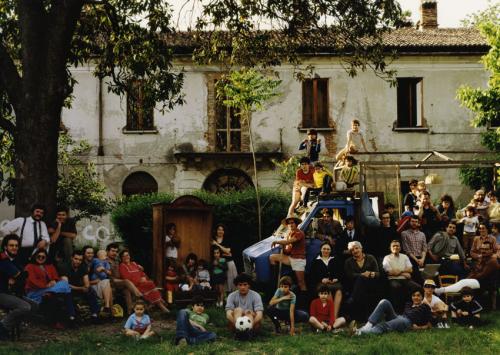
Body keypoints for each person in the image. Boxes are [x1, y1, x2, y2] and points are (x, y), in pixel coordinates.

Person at [24, 249, 75, 327]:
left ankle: (51, 293)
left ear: (46, 258)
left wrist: (54, 281)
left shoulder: (49, 266)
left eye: (43, 257)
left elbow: (55, 277)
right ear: (35, 256)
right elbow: (31, 281)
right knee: (66, 288)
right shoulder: (29, 266)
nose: (41, 258)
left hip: (49, 290)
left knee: (64, 283)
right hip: (35, 292)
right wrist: (46, 285)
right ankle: (72, 316)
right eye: (39, 256)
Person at [355, 288, 432, 335]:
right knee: (384, 302)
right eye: (414, 295)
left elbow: (429, 324)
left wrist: (419, 328)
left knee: (384, 326)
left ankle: (360, 332)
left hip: (407, 322)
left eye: (418, 295)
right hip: (400, 318)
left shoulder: (424, 307)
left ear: (422, 297)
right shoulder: (408, 304)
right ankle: (367, 327)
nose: (416, 297)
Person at [0, 235, 31, 339]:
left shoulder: (15, 259)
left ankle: (12, 325)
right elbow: (22, 275)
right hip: (1, 293)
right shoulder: (2, 259)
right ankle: (3, 326)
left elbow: (25, 275)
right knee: (25, 307)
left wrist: (18, 277)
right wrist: (19, 276)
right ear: (5, 247)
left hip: (10, 292)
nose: (14, 247)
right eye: (11, 245)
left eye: (16, 245)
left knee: (34, 306)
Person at [270, 217, 307, 299]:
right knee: (272, 257)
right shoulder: (289, 234)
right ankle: (274, 283)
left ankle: (304, 301)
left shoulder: (299, 233)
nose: (290, 224)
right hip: (290, 258)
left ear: (296, 224)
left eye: (292, 223)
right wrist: (283, 247)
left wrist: (277, 241)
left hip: (299, 259)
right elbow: (287, 251)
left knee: (301, 282)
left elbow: (288, 242)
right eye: (289, 223)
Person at [59, 250, 100, 323]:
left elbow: (87, 283)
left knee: (90, 290)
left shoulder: (83, 266)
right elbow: (65, 284)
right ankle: (72, 317)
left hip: (78, 288)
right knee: (67, 291)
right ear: (72, 258)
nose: (77, 261)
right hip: (68, 288)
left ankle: (95, 315)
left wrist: (86, 287)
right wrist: (81, 288)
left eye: (80, 260)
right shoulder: (64, 266)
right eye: (76, 259)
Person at [343, 241, 380, 319]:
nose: (355, 251)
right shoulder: (348, 261)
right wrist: (362, 275)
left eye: (357, 248)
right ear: (350, 252)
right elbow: (349, 275)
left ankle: (352, 298)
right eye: (352, 250)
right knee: (361, 279)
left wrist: (371, 273)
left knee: (362, 281)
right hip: (354, 285)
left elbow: (378, 273)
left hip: (371, 284)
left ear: (361, 248)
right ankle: (364, 316)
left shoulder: (370, 257)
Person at [308, 242, 343, 320]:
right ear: (321, 249)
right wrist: (321, 279)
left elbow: (341, 272)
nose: (326, 251)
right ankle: (331, 317)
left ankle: (334, 316)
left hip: (334, 283)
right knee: (328, 292)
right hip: (320, 284)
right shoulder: (316, 261)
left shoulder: (335, 259)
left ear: (330, 250)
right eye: (324, 249)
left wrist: (336, 278)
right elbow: (311, 276)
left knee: (339, 292)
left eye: (328, 249)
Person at [382, 240, 418, 313]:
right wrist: (405, 272)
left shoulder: (404, 256)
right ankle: (398, 312)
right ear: (390, 248)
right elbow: (390, 272)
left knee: (417, 287)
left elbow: (410, 269)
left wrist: (400, 271)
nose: (395, 247)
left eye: (397, 246)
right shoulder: (386, 258)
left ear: (400, 248)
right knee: (397, 287)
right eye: (393, 246)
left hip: (405, 280)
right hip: (393, 280)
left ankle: (414, 309)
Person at [106, 243, 142, 315]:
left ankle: (130, 312)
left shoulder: (116, 260)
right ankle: (139, 295)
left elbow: (126, 262)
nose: (114, 253)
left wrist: (137, 266)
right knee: (126, 281)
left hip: (119, 282)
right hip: (110, 282)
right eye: (112, 251)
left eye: (116, 251)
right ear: (107, 251)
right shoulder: (105, 261)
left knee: (126, 290)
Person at [82, 246, 113, 316]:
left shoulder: (96, 262)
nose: (91, 255)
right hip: (89, 287)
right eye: (88, 253)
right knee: (108, 287)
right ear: (84, 254)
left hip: (97, 284)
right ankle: (110, 313)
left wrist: (103, 269)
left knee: (107, 282)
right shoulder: (82, 265)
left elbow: (109, 273)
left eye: (92, 253)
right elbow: (81, 282)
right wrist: (93, 282)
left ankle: (107, 308)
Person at [211, 224, 238, 292]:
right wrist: (224, 252)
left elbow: (228, 251)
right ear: (216, 231)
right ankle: (220, 299)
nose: (220, 231)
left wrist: (217, 244)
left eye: (222, 230)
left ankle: (230, 298)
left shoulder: (227, 239)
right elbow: (218, 252)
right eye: (219, 229)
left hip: (228, 262)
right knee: (220, 280)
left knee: (230, 281)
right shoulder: (212, 239)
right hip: (218, 263)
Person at [400, 215, 427, 284]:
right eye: (412, 221)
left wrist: (422, 259)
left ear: (418, 223)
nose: (414, 223)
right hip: (410, 259)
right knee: (418, 277)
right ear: (409, 222)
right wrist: (417, 260)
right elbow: (407, 250)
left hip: (422, 259)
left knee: (431, 272)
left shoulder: (422, 234)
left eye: (416, 222)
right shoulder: (404, 233)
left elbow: (424, 248)